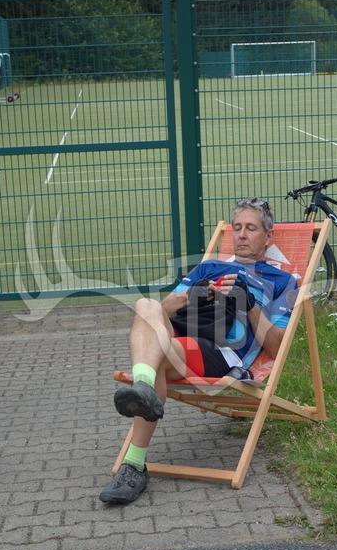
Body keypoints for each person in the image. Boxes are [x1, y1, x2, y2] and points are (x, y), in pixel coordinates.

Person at [99, 197, 298, 504]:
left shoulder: (282, 281)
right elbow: (161, 311)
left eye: (251, 228)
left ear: (268, 236)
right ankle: (143, 389)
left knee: (159, 358)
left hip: (220, 351)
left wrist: (250, 304)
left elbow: (276, 347)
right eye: (237, 228)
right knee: (145, 304)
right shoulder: (208, 267)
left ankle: (134, 463)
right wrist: (191, 295)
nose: (242, 234)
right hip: (180, 335)